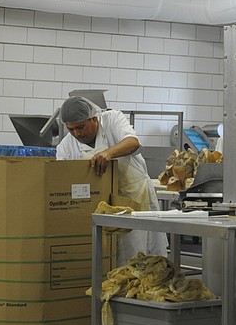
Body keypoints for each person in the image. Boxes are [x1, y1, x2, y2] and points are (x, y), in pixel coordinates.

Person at [55, 96, 167, 265]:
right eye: (71, 130)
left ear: (94, 118)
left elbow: (133, 142)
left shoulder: (112, 119)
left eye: (80, 127)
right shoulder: (65, 147)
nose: (76, 134)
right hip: (101, 208)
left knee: (141, 253)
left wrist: (108, 153)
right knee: (110, 259)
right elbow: (62, 179)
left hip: (135, 198)